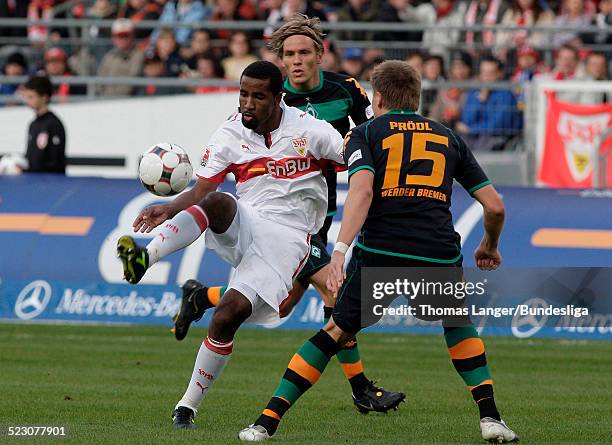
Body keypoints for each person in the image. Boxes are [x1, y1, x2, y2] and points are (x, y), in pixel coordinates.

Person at [238, 60, 518, 444]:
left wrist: (339, 250)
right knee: (457, 326)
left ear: (379, 97)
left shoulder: (366, 133)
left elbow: (363, 191)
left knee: (336, 330)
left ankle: (265, 423)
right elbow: (495, 207)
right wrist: (489, 244)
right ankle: (491, 418)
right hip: (436, 250)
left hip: (382, 248)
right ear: (417, 97)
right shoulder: (447, 136)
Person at [117, 61, 371, 428]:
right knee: (219, 202)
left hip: (289, 238)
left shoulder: (309, 130)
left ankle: (186, 406)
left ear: (278, 98)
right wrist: (169, 208)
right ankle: (146, 255)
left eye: (257, 96)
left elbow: (354, 157)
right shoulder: (228, 133)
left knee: (227, 317)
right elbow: (203, 188)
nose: (247, 103)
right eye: (243, 94)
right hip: (248, 220)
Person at [174, 14, 404, 415]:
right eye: (289, 54)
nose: (296, 61)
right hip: (283, 222)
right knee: (337, 292)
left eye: (304, 53)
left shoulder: (346, 89)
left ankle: (201, 296)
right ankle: (361, 389)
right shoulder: (273, 103)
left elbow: (370, 135)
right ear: (280, 60)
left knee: (281, 307)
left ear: (320, 54)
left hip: (322, 210)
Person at [456, 56, 522, 151]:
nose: (486, 77)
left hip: (498, 138)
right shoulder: (475, 91)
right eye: (484, 73)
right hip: (475, 136)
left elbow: (498, 126)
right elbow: (466, 120)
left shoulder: (506, 95)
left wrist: (471, 129)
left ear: (499, 74)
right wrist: (480, 101)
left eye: (491, 73)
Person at [21, 76, 66, 174]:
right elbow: (31, 156)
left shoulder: (54, 124)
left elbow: (55, 161)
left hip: (50, 181)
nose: (28, 101)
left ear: (44, 97)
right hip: (33, 180)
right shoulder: (33, 124)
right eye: (26, 97)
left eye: (31, 97)